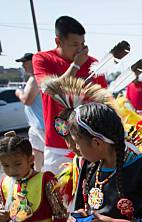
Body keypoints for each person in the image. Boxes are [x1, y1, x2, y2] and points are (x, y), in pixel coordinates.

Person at [32, 16, 107, 174]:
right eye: (74, 44)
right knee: (59, 195)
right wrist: (76, 65)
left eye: (82, 44)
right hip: (57, 145)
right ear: (58, 41)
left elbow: (104, 101)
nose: (80, 49)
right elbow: (50, 89)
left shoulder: (94, 63)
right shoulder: (42, 59)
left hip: (90, 143)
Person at [15, 53, 45, 171]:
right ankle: (36, 174)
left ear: (33, 62)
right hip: (35, 124)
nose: (23, 66)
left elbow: (27, 100)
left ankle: (51, 177)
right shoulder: (34, 78)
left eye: (25, 63)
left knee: (47, 152)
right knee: (37, 151)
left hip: (41, 124)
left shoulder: (35, 79)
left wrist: (18, 92)